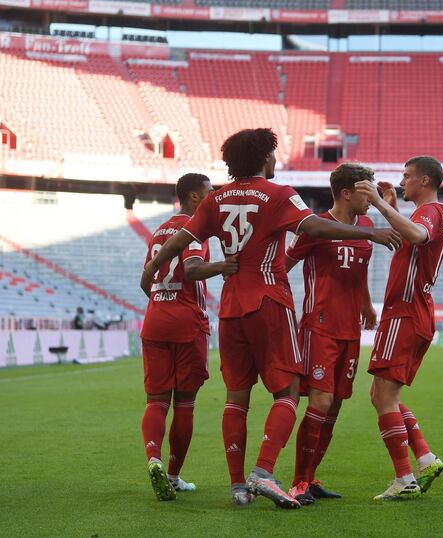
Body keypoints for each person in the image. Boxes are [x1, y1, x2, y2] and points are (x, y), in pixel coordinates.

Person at [141, 128, 400, 509]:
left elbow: (181, 239)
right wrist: (369, 232)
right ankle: (262, 472)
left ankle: (236, 487)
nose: (276, 161)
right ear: (264, 158)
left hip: (230, 308)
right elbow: (311, 226)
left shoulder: (216, 199)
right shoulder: (279, 194)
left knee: (237, 398)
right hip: (269, 301)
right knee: (288, 391)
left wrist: (152, 270)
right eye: (274, 155)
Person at [139, 173, 239, 502]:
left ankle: (153, 458)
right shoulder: (192, 230)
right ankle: (173, 475)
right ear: (195, 198)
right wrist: (225, 266)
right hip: (186, 324)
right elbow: (193, 269)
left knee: (156, 401)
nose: (213, 197)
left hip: (155, 322)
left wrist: (160, 302)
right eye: (209, 193)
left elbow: (146, 280)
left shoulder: (158, 232)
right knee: (184, 404)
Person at [355, 156, 443, 501]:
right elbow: (411, 236)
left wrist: (380, 204)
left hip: (405, 314)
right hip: (412, 313)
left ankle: (404, 479)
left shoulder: (431, 213)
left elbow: (419, 235)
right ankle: (424, 458)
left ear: (425, 181)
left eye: (407, 176)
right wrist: (393, 208)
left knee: (384, 397)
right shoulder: (428, 213)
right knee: (382, 396)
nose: (402, 181)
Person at [284, 163, 378, 505]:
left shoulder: (366, 225)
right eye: (365, 191)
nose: (371, 198)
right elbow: (282, 267)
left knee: (336, 404)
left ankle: (310, 476)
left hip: (350, 329)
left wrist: (366, 304)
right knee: (320, 401)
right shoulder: (315, 227)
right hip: (319, 327)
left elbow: (360, 272)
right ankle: (297, 483)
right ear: (346, 193)